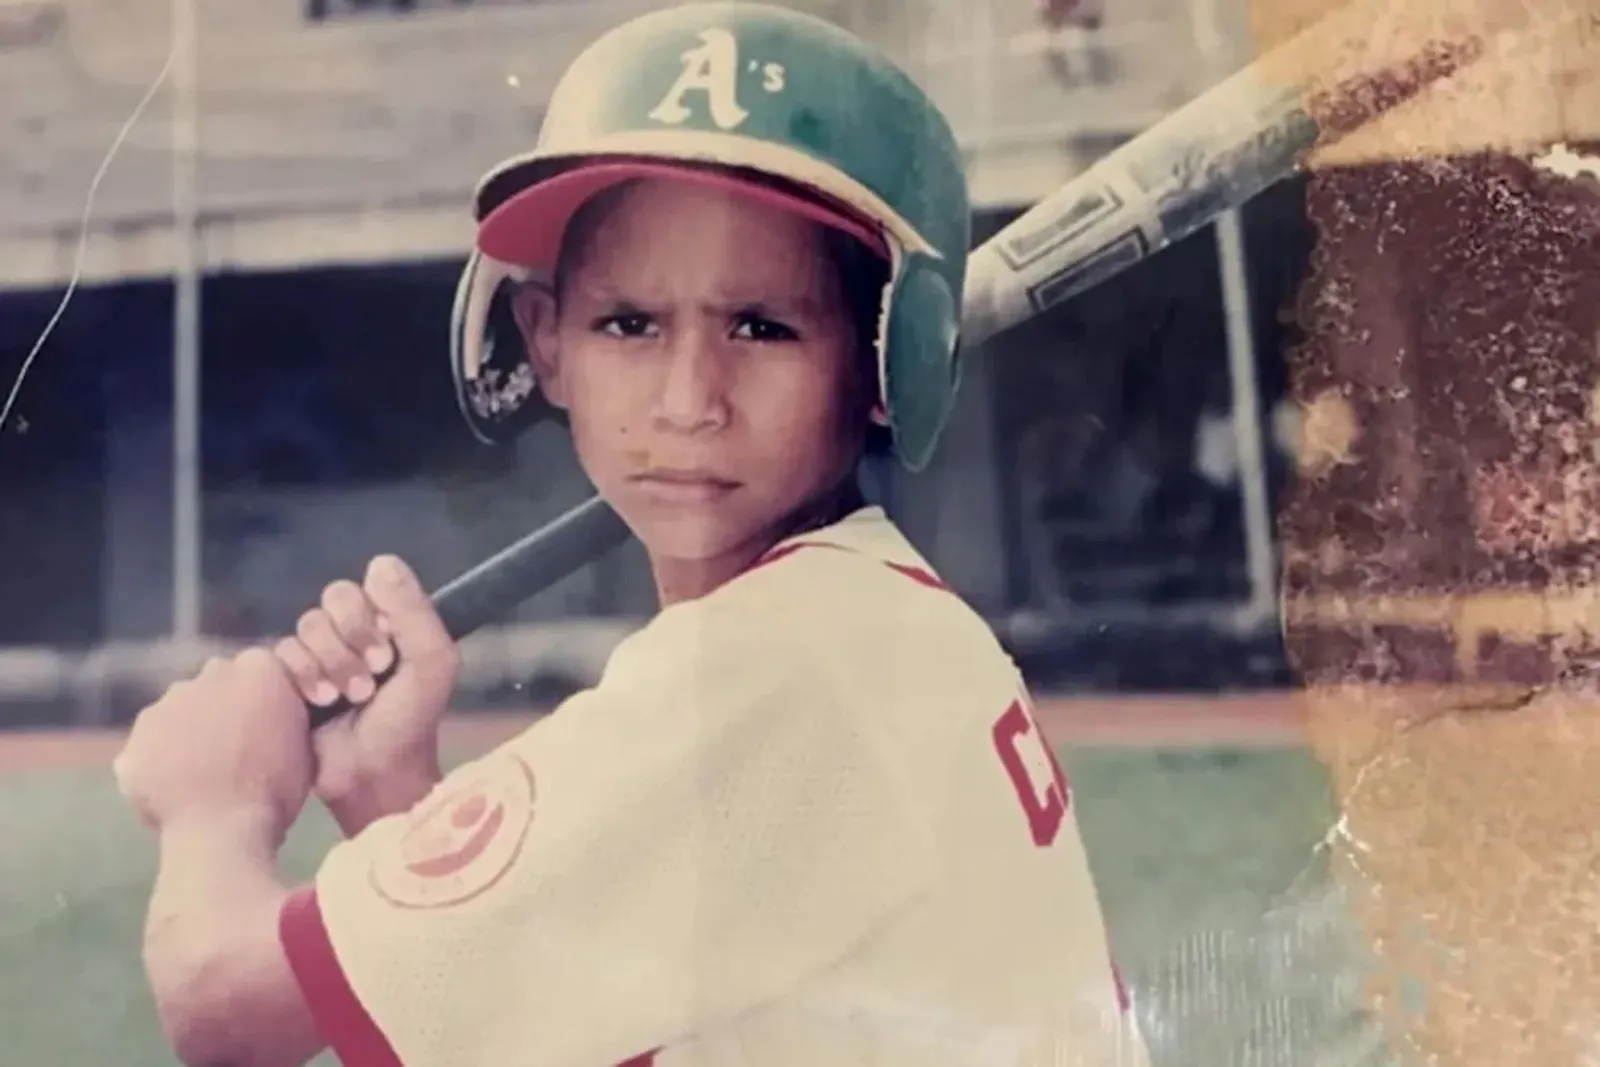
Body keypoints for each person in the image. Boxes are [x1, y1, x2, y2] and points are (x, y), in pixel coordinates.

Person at [113, 4, 1148, 1065]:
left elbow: (223, 1004)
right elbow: (561, 1005)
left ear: (885, 363)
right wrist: (393, 800)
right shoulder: (864, 620)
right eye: (629, 324)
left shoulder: (775, 666)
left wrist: (215, 803)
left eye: (762, 326)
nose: (688, 400)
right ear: (546, 344)